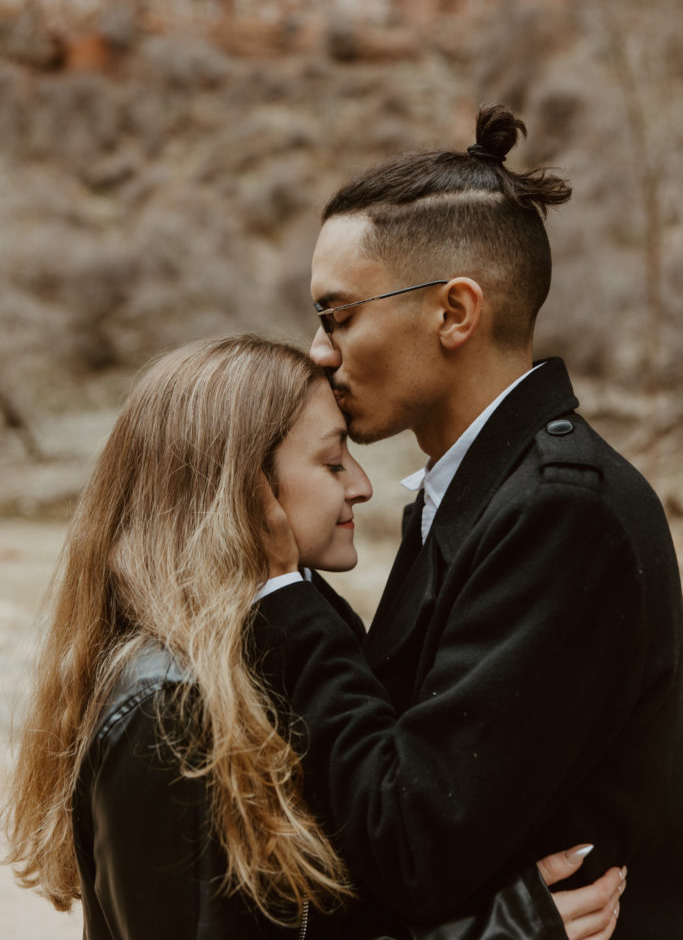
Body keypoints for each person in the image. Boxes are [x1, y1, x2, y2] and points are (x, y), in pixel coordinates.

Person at [3, 335, 620, 940]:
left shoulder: (257, 656)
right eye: (331, 462)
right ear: (244, 490)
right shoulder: (168, 707)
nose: (362, 485)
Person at [256, 104, 683, 939]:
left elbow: (412, 843)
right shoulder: (480, 491)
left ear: (454, 312)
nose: (319, 352)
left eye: (338, 315)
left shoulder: (561, 511)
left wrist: (282, 595)